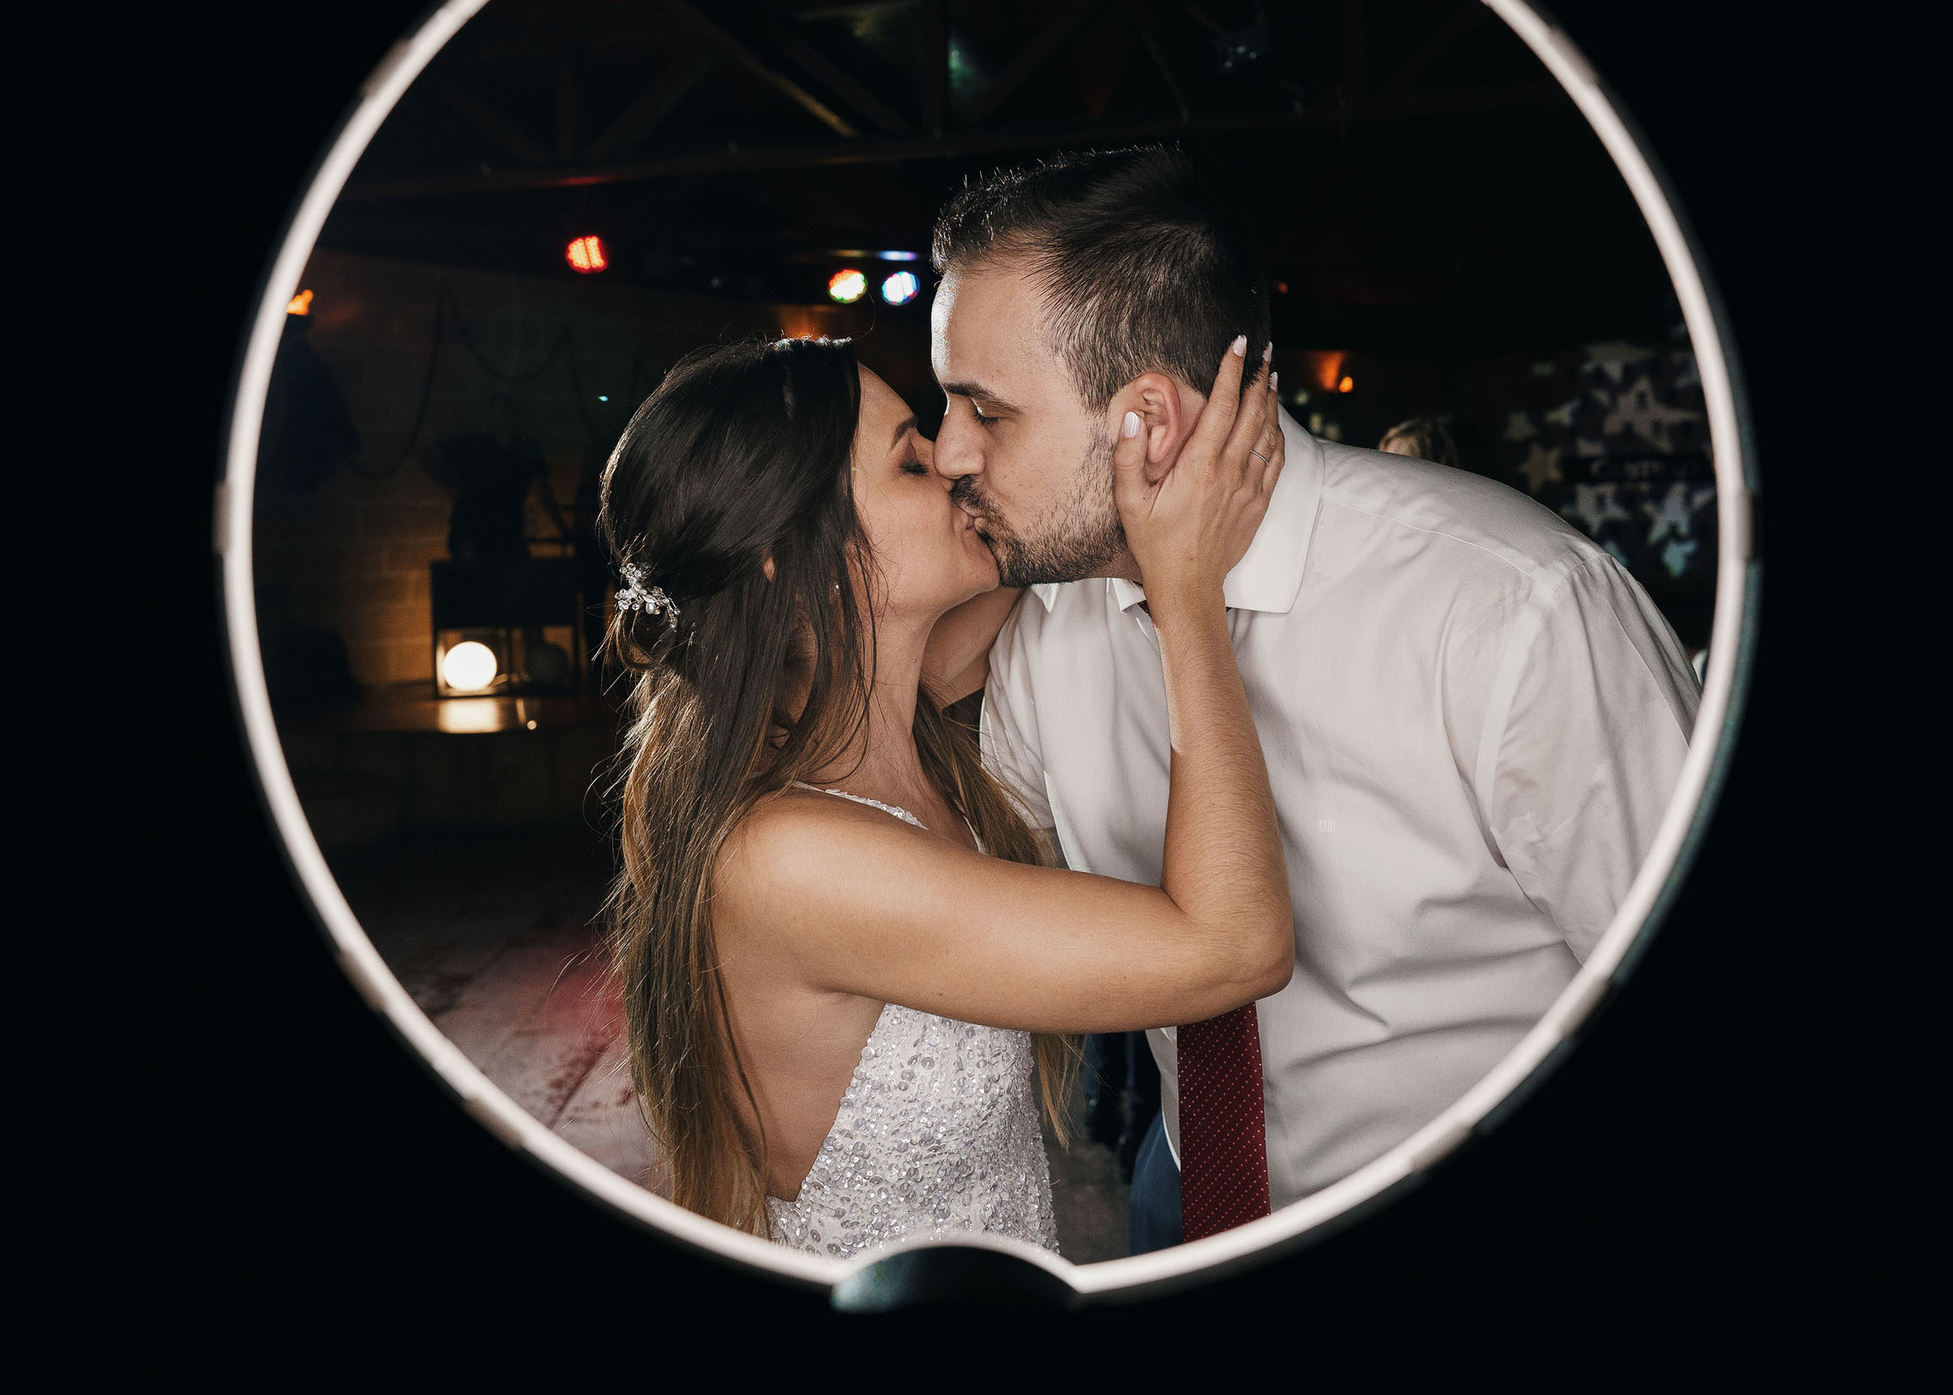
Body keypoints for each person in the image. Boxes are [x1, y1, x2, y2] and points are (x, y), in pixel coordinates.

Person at [926, 146, 1702, 1251]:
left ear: (1147, 421)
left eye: (983, 411)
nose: (949, 449)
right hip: (1183, 1193)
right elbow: (965, 876)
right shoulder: (1052, 624)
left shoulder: (1512, 609)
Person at [593, 331, 1290, 1259]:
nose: (959, 466)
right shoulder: (793, 860)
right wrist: (1188, 589)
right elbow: (1232, 947)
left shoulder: (887, 713)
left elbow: (1040, 535)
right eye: (913, 460)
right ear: (792, 552)